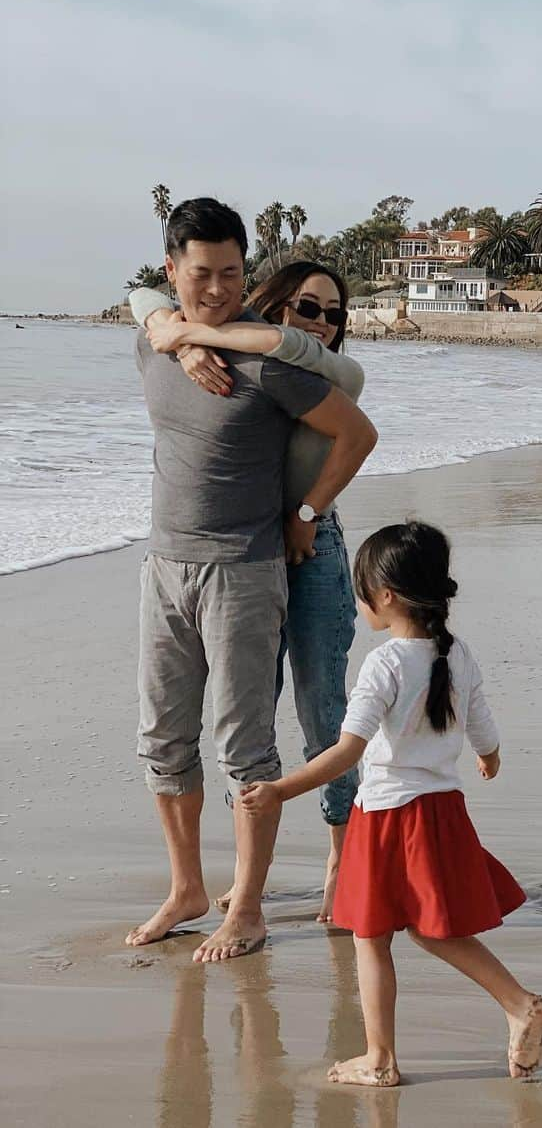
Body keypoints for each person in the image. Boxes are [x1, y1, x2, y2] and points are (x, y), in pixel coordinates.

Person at [126, 198, 378, 964]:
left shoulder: (274, 363)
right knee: (163, 740)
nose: (216, 289)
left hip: (245, 569)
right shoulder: (154, 343)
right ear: (174, 272)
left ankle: (252, 907)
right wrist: (169, 332)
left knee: (246, 744)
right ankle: (188, 888)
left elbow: (357, 431)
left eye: (231, 274)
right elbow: (140, 305)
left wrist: (306, 511)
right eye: (200, 275)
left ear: (247, 273)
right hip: (164, 566)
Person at [241, 522, 542, 1086]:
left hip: (387, 816)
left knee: (373, 936)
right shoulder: (457, 654)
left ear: (385, 596)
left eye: (362, 592)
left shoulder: (383, 663)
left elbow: (346, 751)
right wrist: (489, 758)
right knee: (429, 929)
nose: (361, 604)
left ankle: (385, 1056)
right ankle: (512, 1004)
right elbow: (482, 723)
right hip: (441, 809)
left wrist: (283, 789)